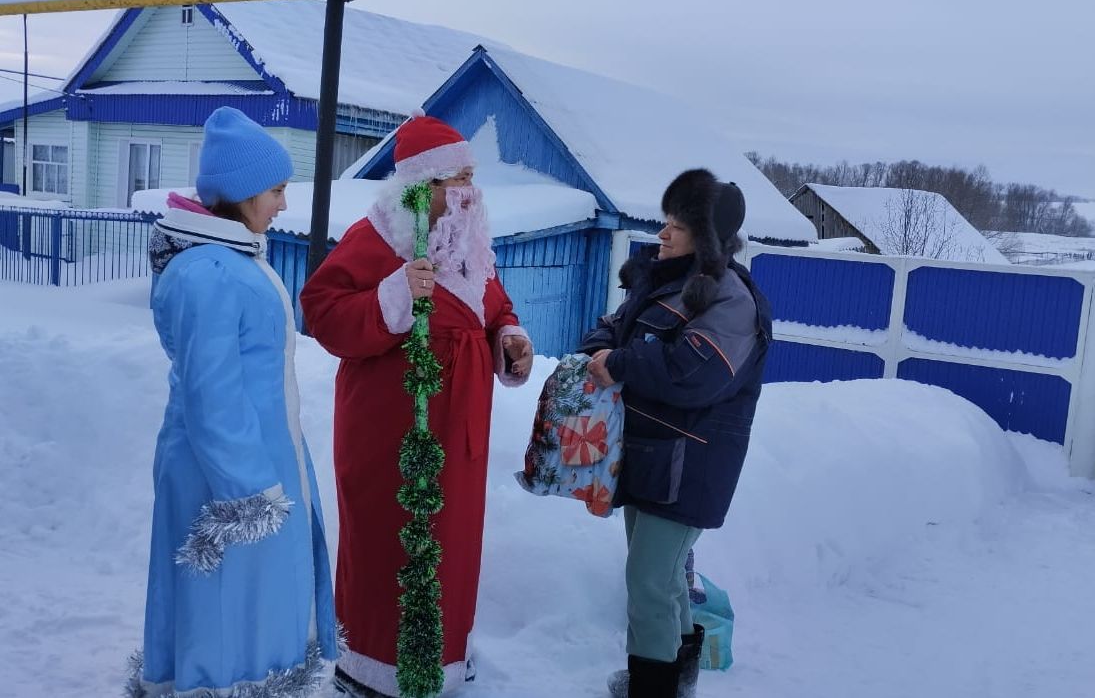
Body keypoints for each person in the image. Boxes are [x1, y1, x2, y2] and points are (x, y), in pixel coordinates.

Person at [299, 113, 533, 697]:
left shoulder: (470, 242)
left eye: (472, 178)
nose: (469, 193)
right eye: (457, 179)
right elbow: (322, 311)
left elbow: (494, 306)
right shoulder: (376, 237)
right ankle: (375, 664)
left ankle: (447, 656)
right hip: (392, 432)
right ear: (420, 187)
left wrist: (508, 339)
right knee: (388, 538)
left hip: (460, 430)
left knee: (454, 542)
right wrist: (396, 294)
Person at [130, 107, 339, 698]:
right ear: (244, 191)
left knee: (248, 605)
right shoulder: (212, 274)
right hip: (229, 481)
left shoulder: (229, 259)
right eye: (276, 190)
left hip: (255, 468)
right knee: (226, 608)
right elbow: (211, 394)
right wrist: (248, 490)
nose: (283, 205)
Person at [578, 168, 772, 698]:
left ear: (706, 238)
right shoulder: (664, 283)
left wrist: (618, 362)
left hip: (690, 463)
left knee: (647, 582)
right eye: (664, 222)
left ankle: (653, 685)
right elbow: (610, 325)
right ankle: (680, 668)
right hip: (650, 455)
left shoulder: (730, 300)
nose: (662, 234)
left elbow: (694, 373)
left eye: (677, 226)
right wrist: (600, 350)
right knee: (661, 580)